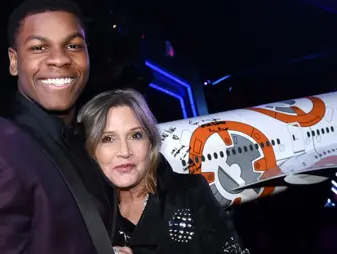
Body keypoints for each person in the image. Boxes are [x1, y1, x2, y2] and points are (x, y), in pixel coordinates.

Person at [0, 0, 132, 254]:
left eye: (73, 46)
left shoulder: (82, 139)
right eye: (38, 48)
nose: (59, 59)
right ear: (14, 62)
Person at [77, 88, 249, 254]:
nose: (124, 151)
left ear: (150, 142)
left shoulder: (189, 193)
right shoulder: (83, 209)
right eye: (108, 139)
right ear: (90, 149)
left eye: (135, 135)